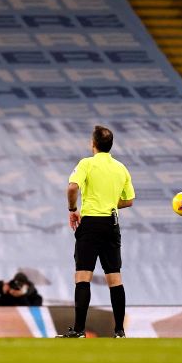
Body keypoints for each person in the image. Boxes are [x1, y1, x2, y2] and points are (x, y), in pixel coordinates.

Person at [57, 125, 135, 339]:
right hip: (111, 223)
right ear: (110, 145)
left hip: (90, 223)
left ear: (93, 144)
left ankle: (80, 330)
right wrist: (109, 202)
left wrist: (73, 210)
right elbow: (129, 200)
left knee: (83, 276)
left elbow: (72, 188)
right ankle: (119, 330)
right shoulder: (121, 168)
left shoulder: (86, 164)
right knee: (115, 279)